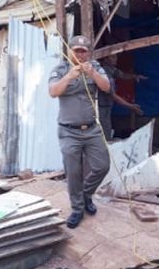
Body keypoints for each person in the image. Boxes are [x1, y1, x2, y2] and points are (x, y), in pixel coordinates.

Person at [48, 35, 112, 229]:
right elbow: (53, 92)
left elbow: (107, 87)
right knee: (73, 172)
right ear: (70, 51)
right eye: (77, 51)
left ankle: (85, 195)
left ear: (88, 53)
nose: (80, 54)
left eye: (84, 51)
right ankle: (77, 209)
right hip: (69, 131)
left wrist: (93, 74)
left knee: (102, 165)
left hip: (92, 129)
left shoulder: (95, 67)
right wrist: (69, 77)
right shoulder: (61, 69)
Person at [98, 57, 145, 140]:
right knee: (104, 133)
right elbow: (113, 96)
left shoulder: (111, 69)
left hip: (107, 107)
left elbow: (122, 75)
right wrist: (130, 106)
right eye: (113, 57)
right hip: (101, 108)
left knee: (107, 129)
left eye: (116, 56)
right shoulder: (104, 74)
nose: (115, 59)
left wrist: (135, 76)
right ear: (106, 59)